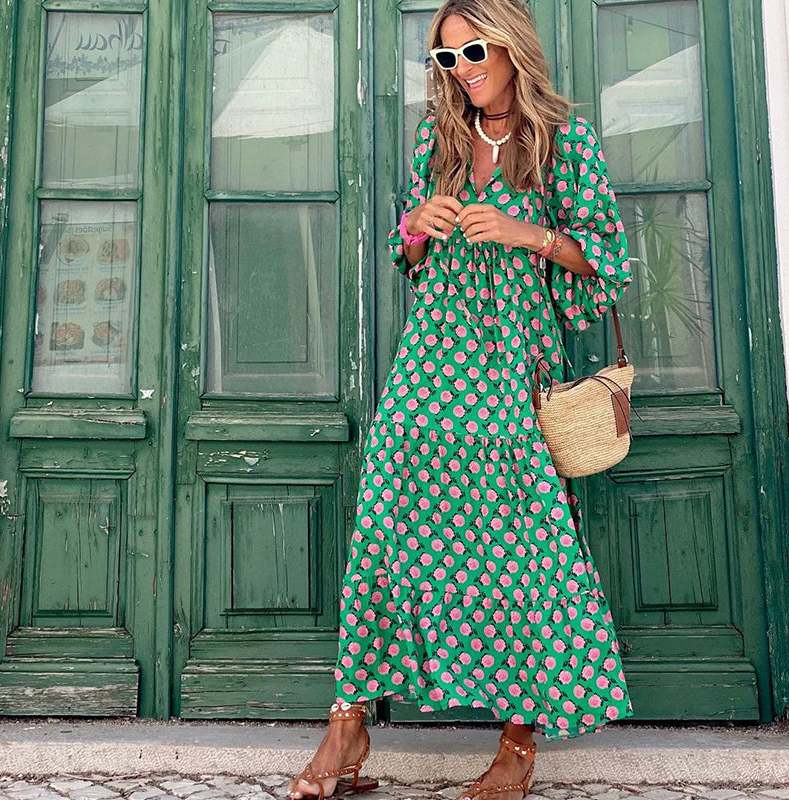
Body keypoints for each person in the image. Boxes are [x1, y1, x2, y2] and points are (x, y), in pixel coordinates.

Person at [287, 0, 634, 798]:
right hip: (431, 360)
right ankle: (348, 723)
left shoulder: (563, 138)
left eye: (472, 51)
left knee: (527, 547)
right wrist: (417, 222)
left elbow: (607, 259)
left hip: (511, 364)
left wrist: (529, 236)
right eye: (446, 59)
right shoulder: (436, 138)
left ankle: (518, 744)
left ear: (511, 47)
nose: (462, 69)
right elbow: (408, 253)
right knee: (385, 525)